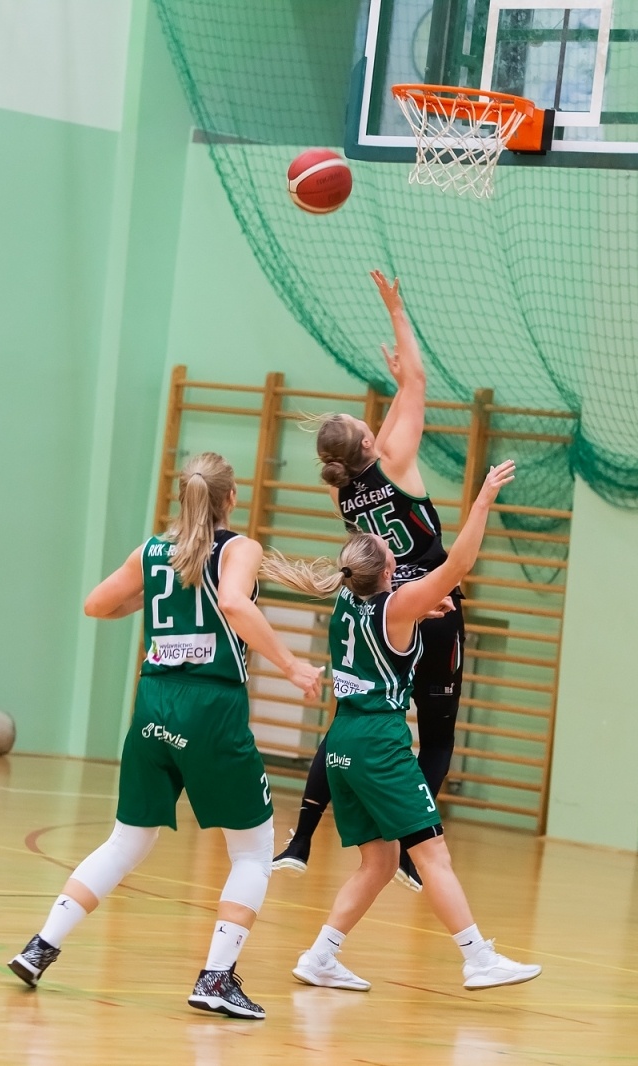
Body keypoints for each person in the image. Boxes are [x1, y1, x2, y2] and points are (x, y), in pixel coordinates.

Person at [7, 452, 324, 1021]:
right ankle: (216, 978)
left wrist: (157, 600)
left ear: (184, 497)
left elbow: (97, 604)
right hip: (211, 707)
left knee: (126, 840)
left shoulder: (153, 552)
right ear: (231, 498)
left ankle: (40, 947)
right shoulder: (239, 548)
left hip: (153, 702)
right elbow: (231, 602)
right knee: (252, 849)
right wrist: (293, 666)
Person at [267, 459, 540, 992]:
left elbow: (392, 601)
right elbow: (457, 564)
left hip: (341, 742)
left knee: (380, 860)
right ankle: (477, 958)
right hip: (378, 743)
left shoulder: (349, 595)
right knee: (431, 851)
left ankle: (321, 957)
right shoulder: (396, 605)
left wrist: (416, 610)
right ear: (388, 572)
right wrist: (482, 501)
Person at [274, 270, 464, 892]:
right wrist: (397, 310)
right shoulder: (397, 461)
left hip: (376, 610)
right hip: (428, 605)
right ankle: (415, 849)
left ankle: (302, 836)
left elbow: (400, 397)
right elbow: (419, 381)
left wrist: (398, 378)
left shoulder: (347, 493)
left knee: (350, 722)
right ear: (367, 440)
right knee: (436, 733)